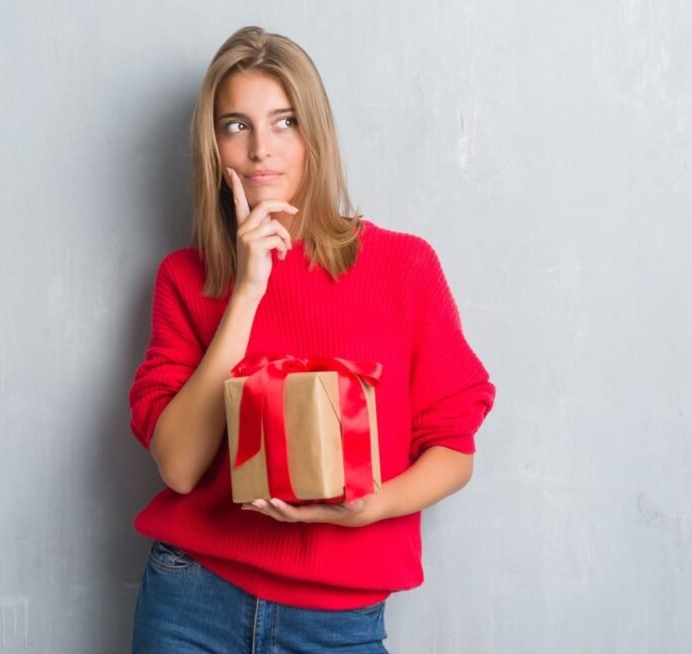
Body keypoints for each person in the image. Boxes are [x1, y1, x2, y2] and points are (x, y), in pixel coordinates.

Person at [127, 25, 496, 653]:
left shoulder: (403, 268)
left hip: (337, 623)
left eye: (285, 122)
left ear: (314, 136)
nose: (260, 150)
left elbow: (454, 450)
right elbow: (182, 468)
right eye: (235, 125)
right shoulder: (185, 278)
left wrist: (372, 507)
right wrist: (246, 291)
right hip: (193, 602)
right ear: (213, 147)